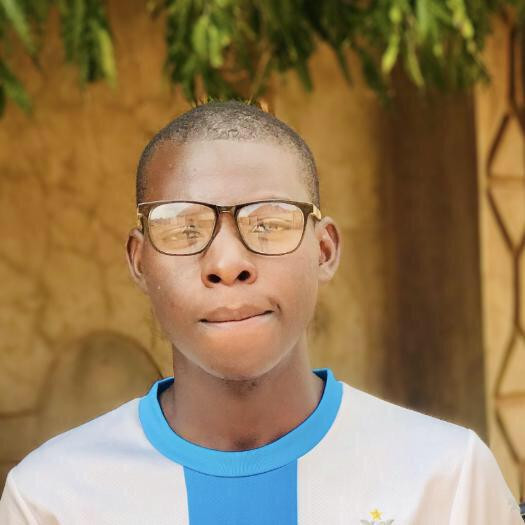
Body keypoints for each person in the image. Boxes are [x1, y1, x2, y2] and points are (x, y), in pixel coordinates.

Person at [0, 100, 522, 524]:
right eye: (184, 228)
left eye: (269, 223)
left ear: (324, 251)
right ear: (140, 262)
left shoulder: (446, 480)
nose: (227, 264)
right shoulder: (53, 500)